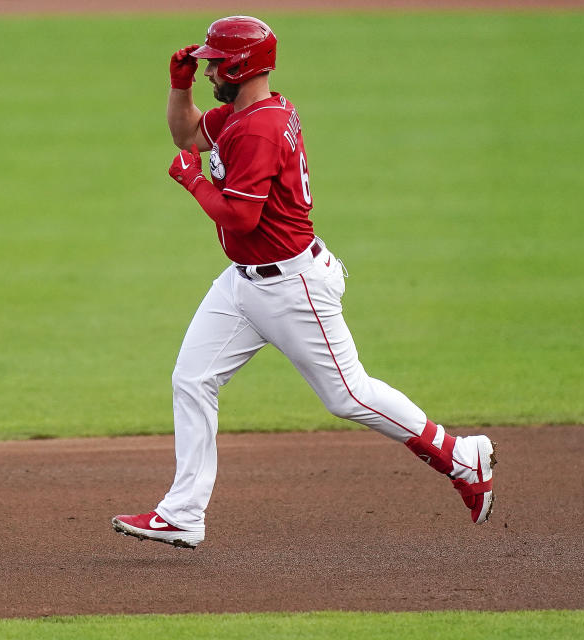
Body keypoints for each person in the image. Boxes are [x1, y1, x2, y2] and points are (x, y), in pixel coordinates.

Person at [112, 16, 496, 549]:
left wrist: (191, 179)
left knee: (348, 395)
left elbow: (239, 217)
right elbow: (186, 134)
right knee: (192, 379)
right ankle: (182, 514)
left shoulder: (259, 128)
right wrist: (177, 85)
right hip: (244, 282)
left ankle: (461, 455)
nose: (207, 72)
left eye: (213, 64)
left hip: (291, 286)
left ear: (239, 65)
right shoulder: (250, 112)